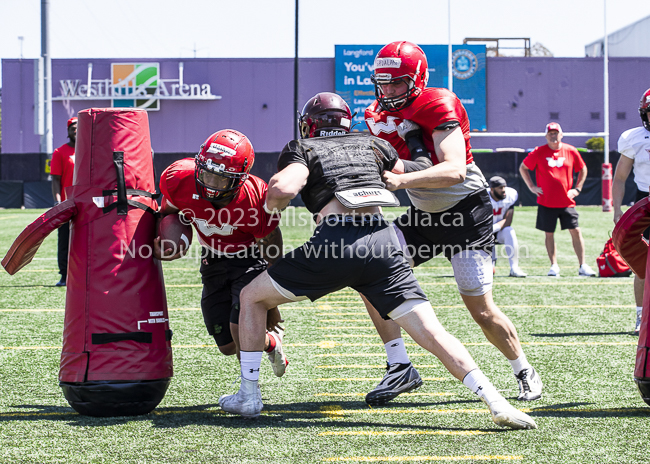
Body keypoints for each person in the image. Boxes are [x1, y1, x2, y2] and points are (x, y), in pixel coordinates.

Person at [218, 92, 537, 430]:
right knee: (432, 331)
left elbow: (283, 187)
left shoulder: (304, 148)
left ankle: (248, 395)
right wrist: (414, 140)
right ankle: (496, 401)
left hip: (336, 244)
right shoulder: (371, 144)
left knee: (251, 296)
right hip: (384, 242)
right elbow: (421, 168)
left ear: (307, 124)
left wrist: (271, 207)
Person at [362, 41, 542, 405]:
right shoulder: (375, 114)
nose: (389, 91)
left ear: (417, 79)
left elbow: (454, 169)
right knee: (370, 271)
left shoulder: (436, 101)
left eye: (397, 83)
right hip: (423, 216)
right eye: (383, 83)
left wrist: (399, 181)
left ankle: (523, 369)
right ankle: (399, 365)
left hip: (465, 213)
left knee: (481, 309)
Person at [154, 129, 288, 376]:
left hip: (249, 258)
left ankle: (249, 391)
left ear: (240, 178)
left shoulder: (256, 198)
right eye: (206, 174)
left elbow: (270, 240)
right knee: (227, 346)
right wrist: (168, 237)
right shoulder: (179, 179)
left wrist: (272, 298)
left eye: (222, 179)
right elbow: (169, 211)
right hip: (212, 259)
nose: (211, 185)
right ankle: (270, 343)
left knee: (240, 331)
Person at [519, 122, 596, 278]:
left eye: (556, 133)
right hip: (546, 201)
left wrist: (577, 189)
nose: (553, 136)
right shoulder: (539, 152)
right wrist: (531, 187)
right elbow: (523, 167)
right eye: (550, 133)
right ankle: (553, 266)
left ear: (561, 134)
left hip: (566, 202)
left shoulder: (571, 150)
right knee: (549, 233)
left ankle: (582, 265)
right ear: (546, 136)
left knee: (575, 230)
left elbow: (583, 168)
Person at [613, 88, 650, 335]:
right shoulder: (634, 138)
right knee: (643, 264)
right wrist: (616, 208)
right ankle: (641, 316)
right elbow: (620, 177)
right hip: (644, 203)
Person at [50, 116, 77, 287]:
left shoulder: (89, 150)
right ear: (68, 131)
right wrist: (58, 202)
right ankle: (64, 275)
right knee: (64, 241)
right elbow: (55, 180)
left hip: (87, 205)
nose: (75, 130)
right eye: (72, 128)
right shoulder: (60, 152)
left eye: (78, 128)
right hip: (67, 205)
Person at [488, 176, 526, 278]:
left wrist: (494, 228)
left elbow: (508, 220)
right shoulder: (483, 198)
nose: (503, 190)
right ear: (492, 189)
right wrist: (488, 230)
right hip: (484, 232)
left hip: (500, 230)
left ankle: (514, 268)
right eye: (500, 188)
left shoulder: (510, 195)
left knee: (509, 230)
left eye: (504, 187)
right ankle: (489, 265)